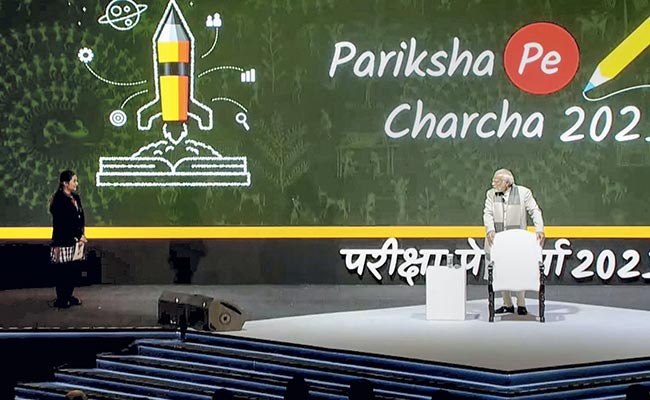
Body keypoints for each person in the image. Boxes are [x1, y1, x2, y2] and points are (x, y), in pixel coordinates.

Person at [483, 168, 544, 316]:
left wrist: (539, 229)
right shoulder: (491, 194)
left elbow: (534, 211)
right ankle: (507, 303)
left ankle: (521, 303)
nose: (493, 184)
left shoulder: (524, 193)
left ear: (507, 183)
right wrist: (490, 229)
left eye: (497, 181)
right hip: (497, 240)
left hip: (517, 240)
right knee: (500, 269)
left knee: (519, 269)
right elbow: (487, 213)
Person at [50, 170, 87, 309]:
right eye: (74, 181)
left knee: (72, 269)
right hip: (63, 240)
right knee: (63, 271)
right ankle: (61, 298)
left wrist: (82, 234)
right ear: (65, 183)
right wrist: (78, 234)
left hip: (75, 240)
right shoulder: (58, 200)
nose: (76, 183)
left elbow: (80, 217)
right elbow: (64, 222)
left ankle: (69, 295)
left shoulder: (76, 197)